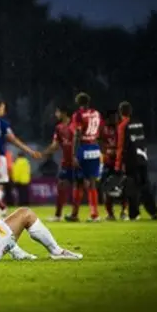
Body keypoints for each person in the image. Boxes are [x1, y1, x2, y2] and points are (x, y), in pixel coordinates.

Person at [0, 98, 41, 214]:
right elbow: (13, 139)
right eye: (3, 107)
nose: (4, 110)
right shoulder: (2, 123)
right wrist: (30, 151)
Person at [115, 101, 157, 220]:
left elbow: (121, 146)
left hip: (131, 161)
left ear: (120, 112)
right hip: (142, 158)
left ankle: (134, 214)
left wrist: (118, 165)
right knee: (146, 187)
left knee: (131, 188)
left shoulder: (123, 126)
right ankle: (154, 211)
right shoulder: (139, 124)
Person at [67, 92, 103, 222]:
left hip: (83, 148)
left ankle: (74, 214)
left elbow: (77, 133)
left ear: (78, 103)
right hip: (94, 148)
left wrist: (73, 154)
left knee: (78, 182)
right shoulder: (97, 114)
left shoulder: (78, 115)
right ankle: (95, 214)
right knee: (92, 182)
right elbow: (100, 132)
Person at [41, 105, 74, 221]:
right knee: (61, 186)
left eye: (58, 111)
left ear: (64, 113)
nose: (56, 114)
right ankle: (58, 215)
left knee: (80, 187)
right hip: (66, 162)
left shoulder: (75, 126)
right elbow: (55, 145)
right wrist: (43, 153)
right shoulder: (59, 128)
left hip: (78, 161)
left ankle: (76, 214)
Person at [100, 109, 128, 221]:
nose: (115, 119)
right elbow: (99, 141)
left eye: (116, 117)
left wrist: (117, 152)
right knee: (106, 188)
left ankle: (124, 211)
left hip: (120, 163)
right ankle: (110, 213)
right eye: (113, 117)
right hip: (108, 163)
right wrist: (105, 151)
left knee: (123, 188)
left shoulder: (121, 128)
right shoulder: (103, 128)